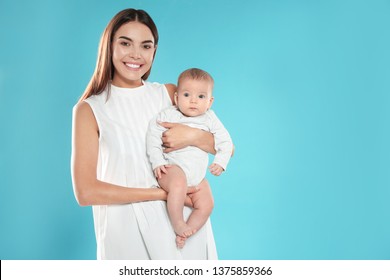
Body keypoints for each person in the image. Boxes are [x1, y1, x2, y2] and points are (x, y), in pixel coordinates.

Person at [71, 8, 220, 260]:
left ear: (154, 51)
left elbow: (221, 145)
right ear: (109, 46)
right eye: (125, 43)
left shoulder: (169, 94)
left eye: (146, 46)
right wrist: (163, 194)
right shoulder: (89, 109)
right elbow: (86, 192)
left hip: (184, 231)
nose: (136, 54)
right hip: (127, 232)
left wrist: (192, 137)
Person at [146, 68, 233, 248]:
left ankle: (188, 231)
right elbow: (153, 136)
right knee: (178, 183)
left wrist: (220, 162)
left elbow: (225, 141)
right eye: (187, 94)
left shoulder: (210, 118)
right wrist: (158, 161)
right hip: (172, 168)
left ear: (210, 102)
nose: (193, 100)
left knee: (207, 204)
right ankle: (178, 223)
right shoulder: (169, 114)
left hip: (197, 177)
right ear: (177, 98)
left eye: (201, 97)